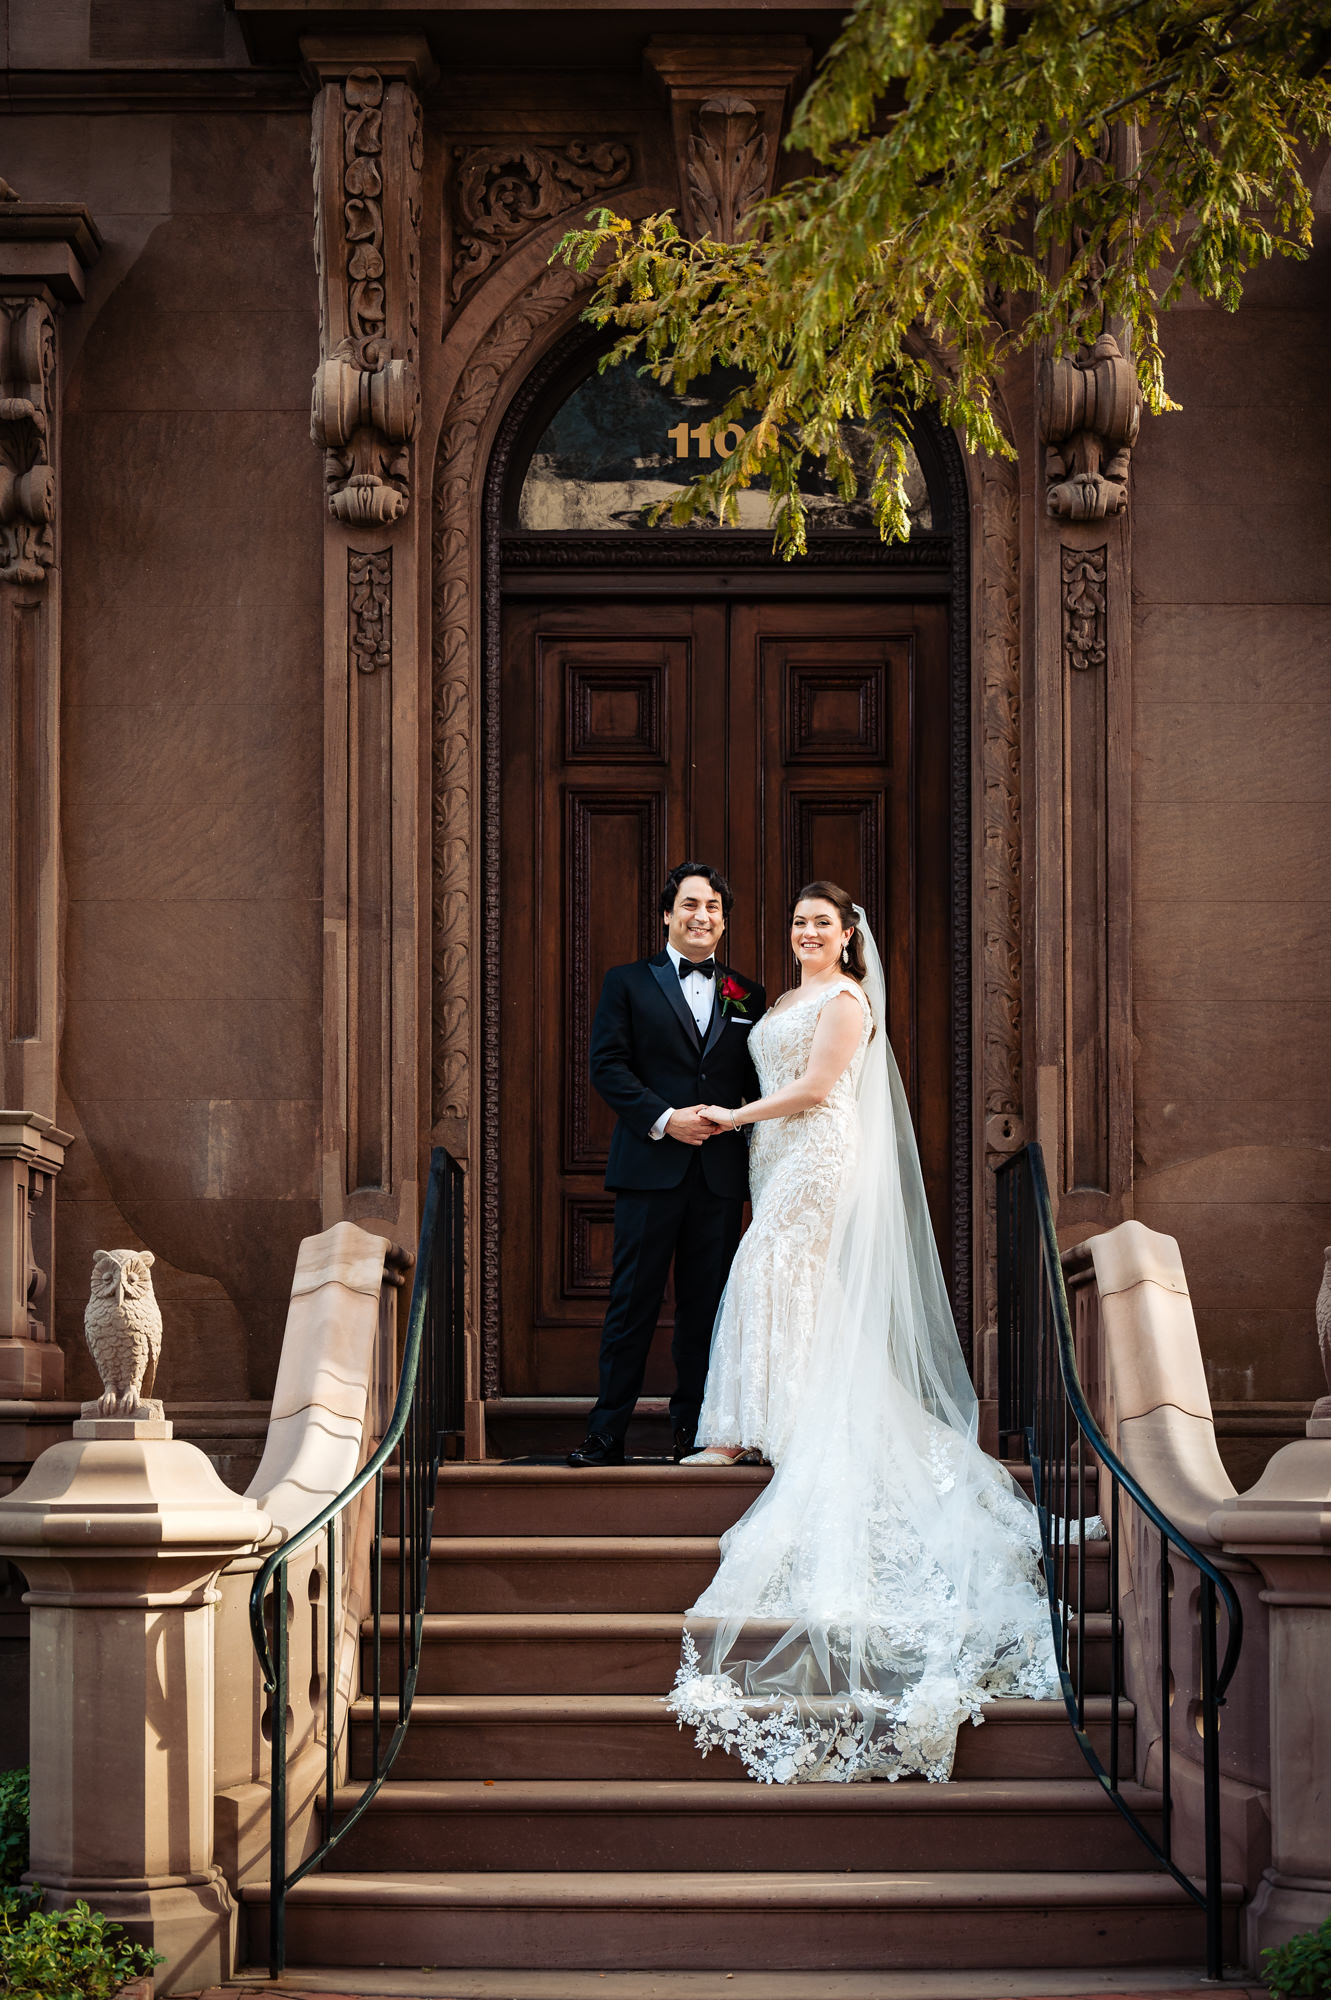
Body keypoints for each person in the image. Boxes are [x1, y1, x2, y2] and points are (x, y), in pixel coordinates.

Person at [668, 881, 1060, 1782]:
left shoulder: (846, 1000)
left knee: (773, 1265)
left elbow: (813, 1088)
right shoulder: (776, 1000)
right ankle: (764, 1417)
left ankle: (751, 1428)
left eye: (821, 923)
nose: (807, 933)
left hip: (814, 1149)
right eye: (798, 921)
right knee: (781, 1274)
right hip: (775, 1154)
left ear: (849, 937)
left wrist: (730, 1118)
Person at [566, 863, 766, 1469]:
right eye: (689, 905)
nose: (700, 916)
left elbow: (757, 1080)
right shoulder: (627, 982)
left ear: (723, 920)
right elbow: (609, 1067)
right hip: (649, 1169)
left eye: (711, 908)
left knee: (706, 1311)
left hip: (719, 1177)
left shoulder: (747, 994)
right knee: (632, 1304)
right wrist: (665, 1118)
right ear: (667, 914)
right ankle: (607, 1434)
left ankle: (695, 1432)